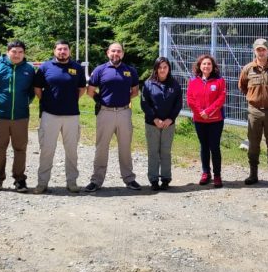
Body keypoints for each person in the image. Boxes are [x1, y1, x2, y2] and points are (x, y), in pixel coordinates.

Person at [0, 40, 35, 194]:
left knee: (20, 148)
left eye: (20, 52)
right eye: (14, 52)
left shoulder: (29, 69)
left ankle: (19, 179)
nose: (17, 55)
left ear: (24, 54)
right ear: (7, 51)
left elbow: (31, 93)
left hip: (21, 116)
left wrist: (23, 103)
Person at [84, 42, 141, 192]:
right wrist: (101, 101)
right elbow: (90, 91)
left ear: (123, 53)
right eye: (113, 51)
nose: (116, 54)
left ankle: (129, 178)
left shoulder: (130, 71)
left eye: (119, 51)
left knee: (125, 147)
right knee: (101, 147)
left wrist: (123, 99)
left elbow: (135, 92)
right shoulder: (100, 70)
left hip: (124, 112)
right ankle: (96, 180)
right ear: (108, 53)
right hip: (105, 113)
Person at [33, 40, 87, 194]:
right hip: (49, 115)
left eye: (65, 49)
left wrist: (72, 100)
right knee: (47, 150)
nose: (62, 52)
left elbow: (81, 88)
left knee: (71, 151)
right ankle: (42, 183)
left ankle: (72, 182)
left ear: (69, 51)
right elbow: (37, 88)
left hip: (71, 116)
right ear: (54, 51)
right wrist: (46, 101)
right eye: (59, 49)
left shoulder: (77, 68)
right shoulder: (45, 67)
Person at [238, 38, 268, 186]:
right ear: (254, 51)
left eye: (263, 49)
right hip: (254, 112)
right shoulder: (248, 69)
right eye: (258, 49)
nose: (261, 52)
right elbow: (242, 86)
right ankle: (253, 174)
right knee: (253, 144)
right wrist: (254, 97)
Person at [140, 56, 182, 191]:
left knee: (165, 152)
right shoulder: (148, 84)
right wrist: (155, 119)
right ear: (156, 68)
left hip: (169, 124)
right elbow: (145, 103)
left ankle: (165, 178)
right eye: (160, 67)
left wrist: (171, 118)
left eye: (165, 67)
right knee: (153, 152)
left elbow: (178, 104)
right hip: (152, 123)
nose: (162, 70)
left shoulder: (175, 84)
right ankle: (153, 179)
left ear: (169, 68)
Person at [186, 54, 227, 187]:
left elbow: (221, 99)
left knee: (214, 147)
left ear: (213, 66)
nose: (206, 66)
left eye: (209, 64)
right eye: (204, 64)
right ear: (199, 66)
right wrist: (200, 113)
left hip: (215, 120)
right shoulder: (193, 81)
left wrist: (208, 112)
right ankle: (205, 173)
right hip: (199, 120)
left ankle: (217, 175)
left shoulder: (220, 81)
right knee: (204, 147)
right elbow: (190, 99)